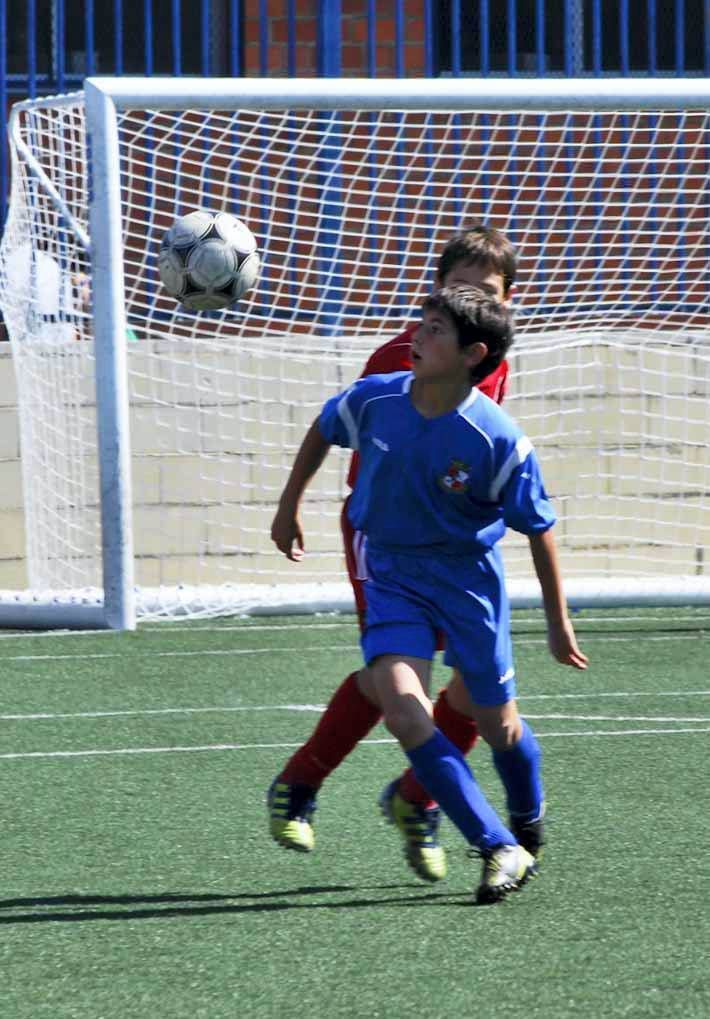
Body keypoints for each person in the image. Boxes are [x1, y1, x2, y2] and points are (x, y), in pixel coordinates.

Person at [270, 285, 587, 903]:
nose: (418, 334)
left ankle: (527, 819)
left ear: (474, 354)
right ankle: (498, 846)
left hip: (467, 586)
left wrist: (558, 621)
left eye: (436, 329)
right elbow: (322, 428)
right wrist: (288, 506)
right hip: (392, 576)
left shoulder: (496, 439)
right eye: (423, 321)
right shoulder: (375, 400)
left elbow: (540, 529)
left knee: (501, 729)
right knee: (402, 703)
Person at [269, 225, 517, 883]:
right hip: (384, 541)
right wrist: (290, 502)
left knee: (470, 685)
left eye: (484, 290)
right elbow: (337, 427)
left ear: (506, 302)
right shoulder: (397, 359)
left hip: (457, 549)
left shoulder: (492, 363)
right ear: (437, 293)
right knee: (397, 680)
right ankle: (299, 782)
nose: (468, 299)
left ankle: (417, 796)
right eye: (457, 287)